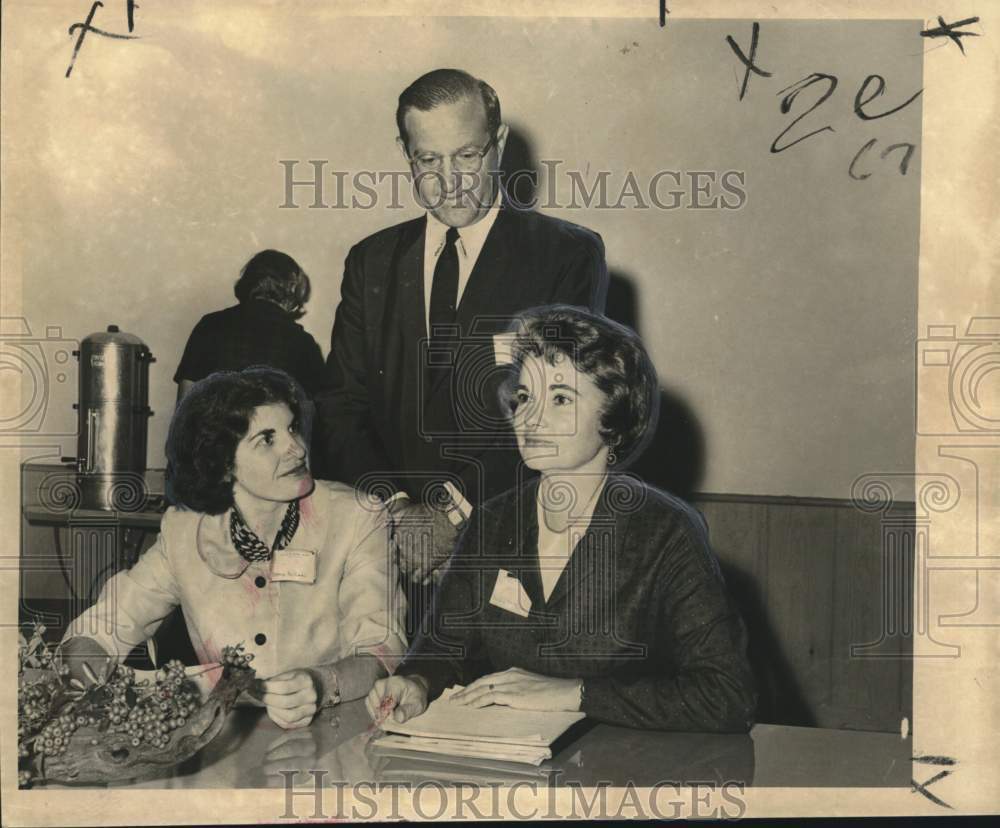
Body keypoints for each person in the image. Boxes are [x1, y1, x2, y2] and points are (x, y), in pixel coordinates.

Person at [366, 306, 756, 732]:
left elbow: (728, 694)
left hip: (627, 762)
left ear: (613, 419)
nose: (531, 417)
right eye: (525, 396)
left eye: (561, 398)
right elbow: (443, 648)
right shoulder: (492, 520)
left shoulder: (666, 530)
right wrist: (416, 681)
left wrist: (576, 694)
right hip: (510, 756)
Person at [314, 68, 609, 596]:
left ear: (499, 144)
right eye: (428, 160)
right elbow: (340, 406)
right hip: (388, 552)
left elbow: (558, 408)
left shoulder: (564, 255)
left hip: (506, 550)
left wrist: (451, 515)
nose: (448, 180)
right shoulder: (370, 261)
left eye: (467, 156)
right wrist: (399, 511)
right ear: (405, 154)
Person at [62, 367, 406, 729]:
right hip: (223, 734)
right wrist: (86, 663)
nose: (297, 448)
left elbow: (381, 648)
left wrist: (322, 684)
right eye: (267, 439)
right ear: (224, 464)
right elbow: (110, 621)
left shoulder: (356, 516)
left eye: (292, 429)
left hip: (336, 728)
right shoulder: (185, 530)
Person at [174, 249, 325, 402]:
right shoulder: (302, 342)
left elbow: (185, 398)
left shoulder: (209, 324)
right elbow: (317, 408)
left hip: (211, 417)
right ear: (292, 289)